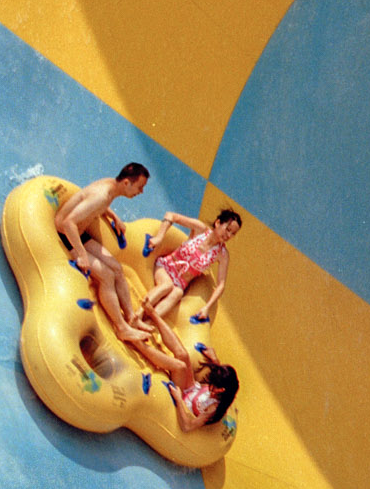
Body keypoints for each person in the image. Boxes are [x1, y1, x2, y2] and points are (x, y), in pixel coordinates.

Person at [54, 163, 152, 343]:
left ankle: (131, 318)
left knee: (117, 268)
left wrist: (114, 217)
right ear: (126, 183)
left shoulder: (110, 186)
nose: (141, 192)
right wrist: (82, 255)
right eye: (140, 187)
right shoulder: (102, 195)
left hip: (79, 234)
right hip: (66, 236)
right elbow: (68, 223)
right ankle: (122, 329)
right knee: (107, 275)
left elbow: (95, 205)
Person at [134, 303, 238, 431]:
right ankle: (153, 314)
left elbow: (187, 427)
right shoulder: (224, 388)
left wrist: (178, 398)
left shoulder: (213, 409)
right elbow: (222, 376)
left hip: (183, 397)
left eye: (213, 384)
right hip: (191, 388)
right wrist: (215, 360)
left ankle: (136, 342)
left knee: (180, 367)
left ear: (221, 390)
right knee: (183, 355)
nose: (210, 383)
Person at [139, 208, 241, 325]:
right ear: (218, 223)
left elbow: (221, 285)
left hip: (180, 283)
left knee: (177, 293)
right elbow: (171, 215)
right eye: (228, 229)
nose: (229, 235)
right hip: (166, 267)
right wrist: (159, 237)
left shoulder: (222, 254)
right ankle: (138, 314)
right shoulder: (200, 230)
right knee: (167, 285)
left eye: (233, 233)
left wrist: (207, 307)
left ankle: (147, 324)